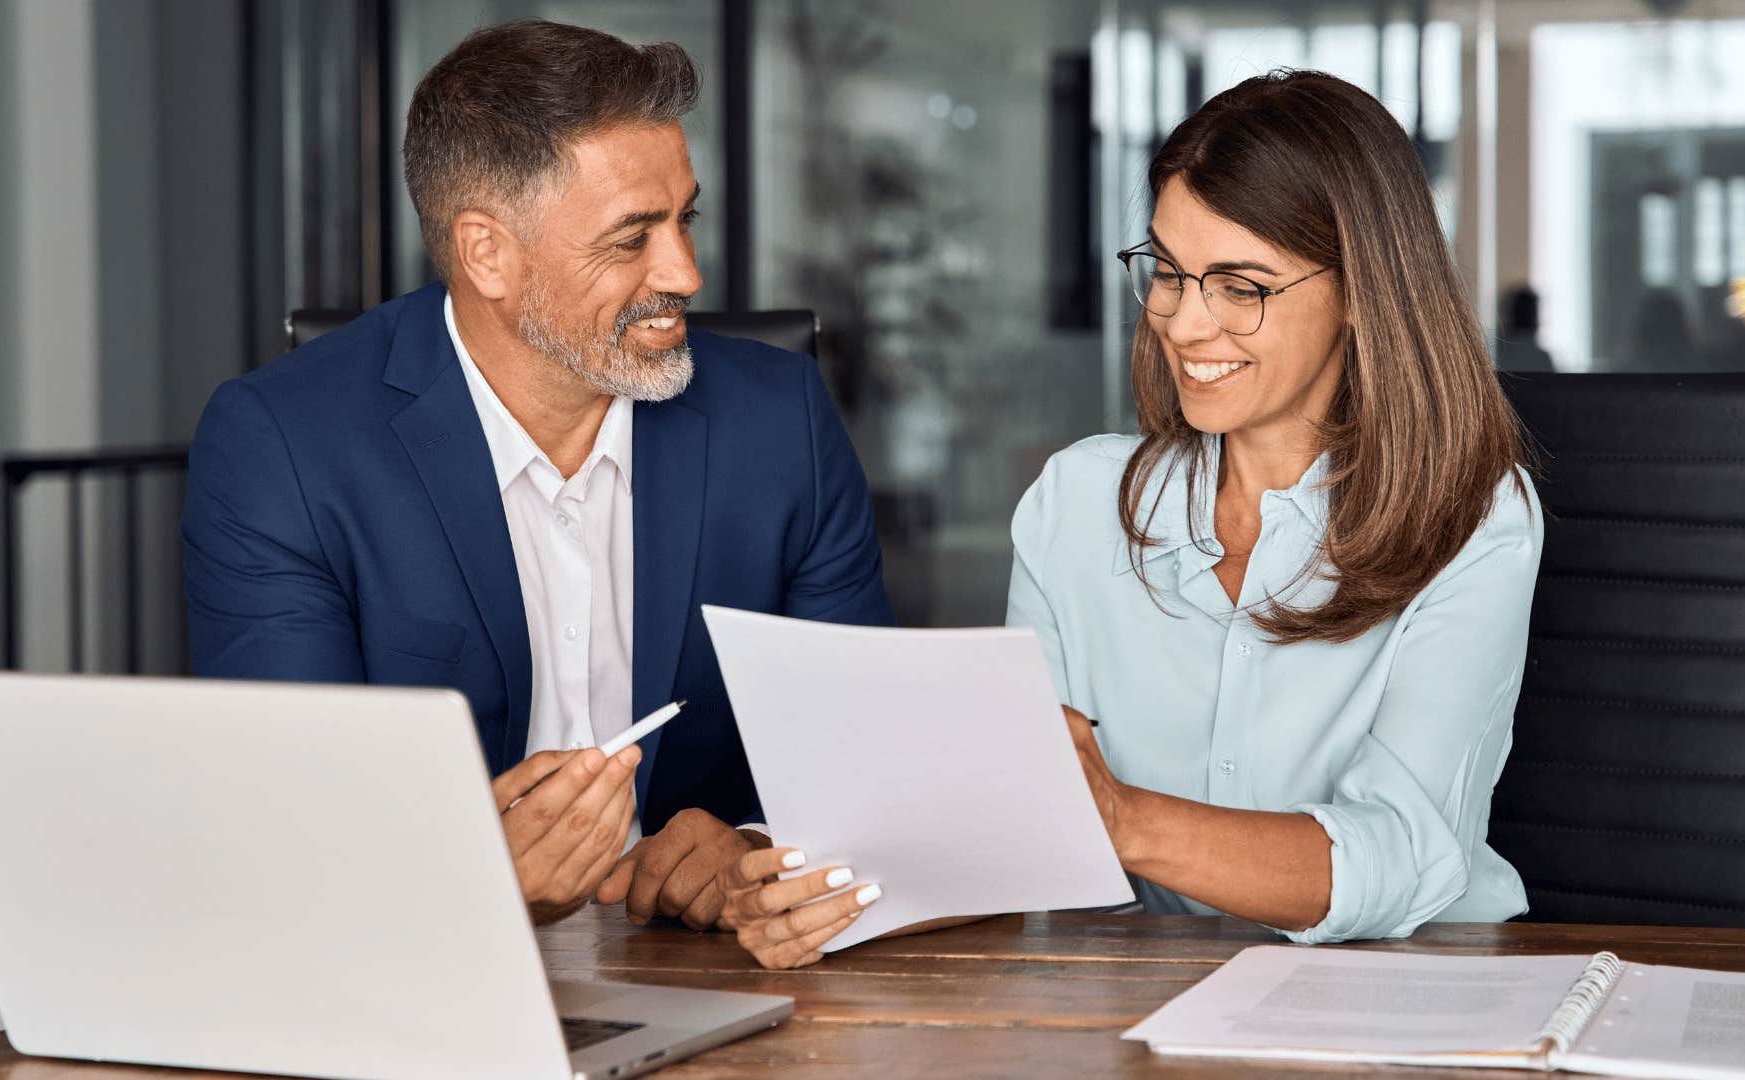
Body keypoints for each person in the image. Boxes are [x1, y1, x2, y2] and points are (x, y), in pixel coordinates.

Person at [723, 69, 1540, 965]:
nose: (1184, 324)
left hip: (1403, 994)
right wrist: (826, 887)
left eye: (1240, 287)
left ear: (1362, 292)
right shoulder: (1078, 504)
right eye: (1169, 271)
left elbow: (1406, 853)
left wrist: (1118, 821)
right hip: (1132, 994)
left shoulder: (1475, 515)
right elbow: (1017, 840)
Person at [181, 20, 893, 927]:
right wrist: (464, 876)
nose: (685, 269)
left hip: (709, 967)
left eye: (685, 219)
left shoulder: (779, 418)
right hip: (412, 963)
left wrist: (755, 851)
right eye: (632, 237)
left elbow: (870, 764)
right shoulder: (282, 445)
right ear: (487, 254)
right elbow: (283, 817)